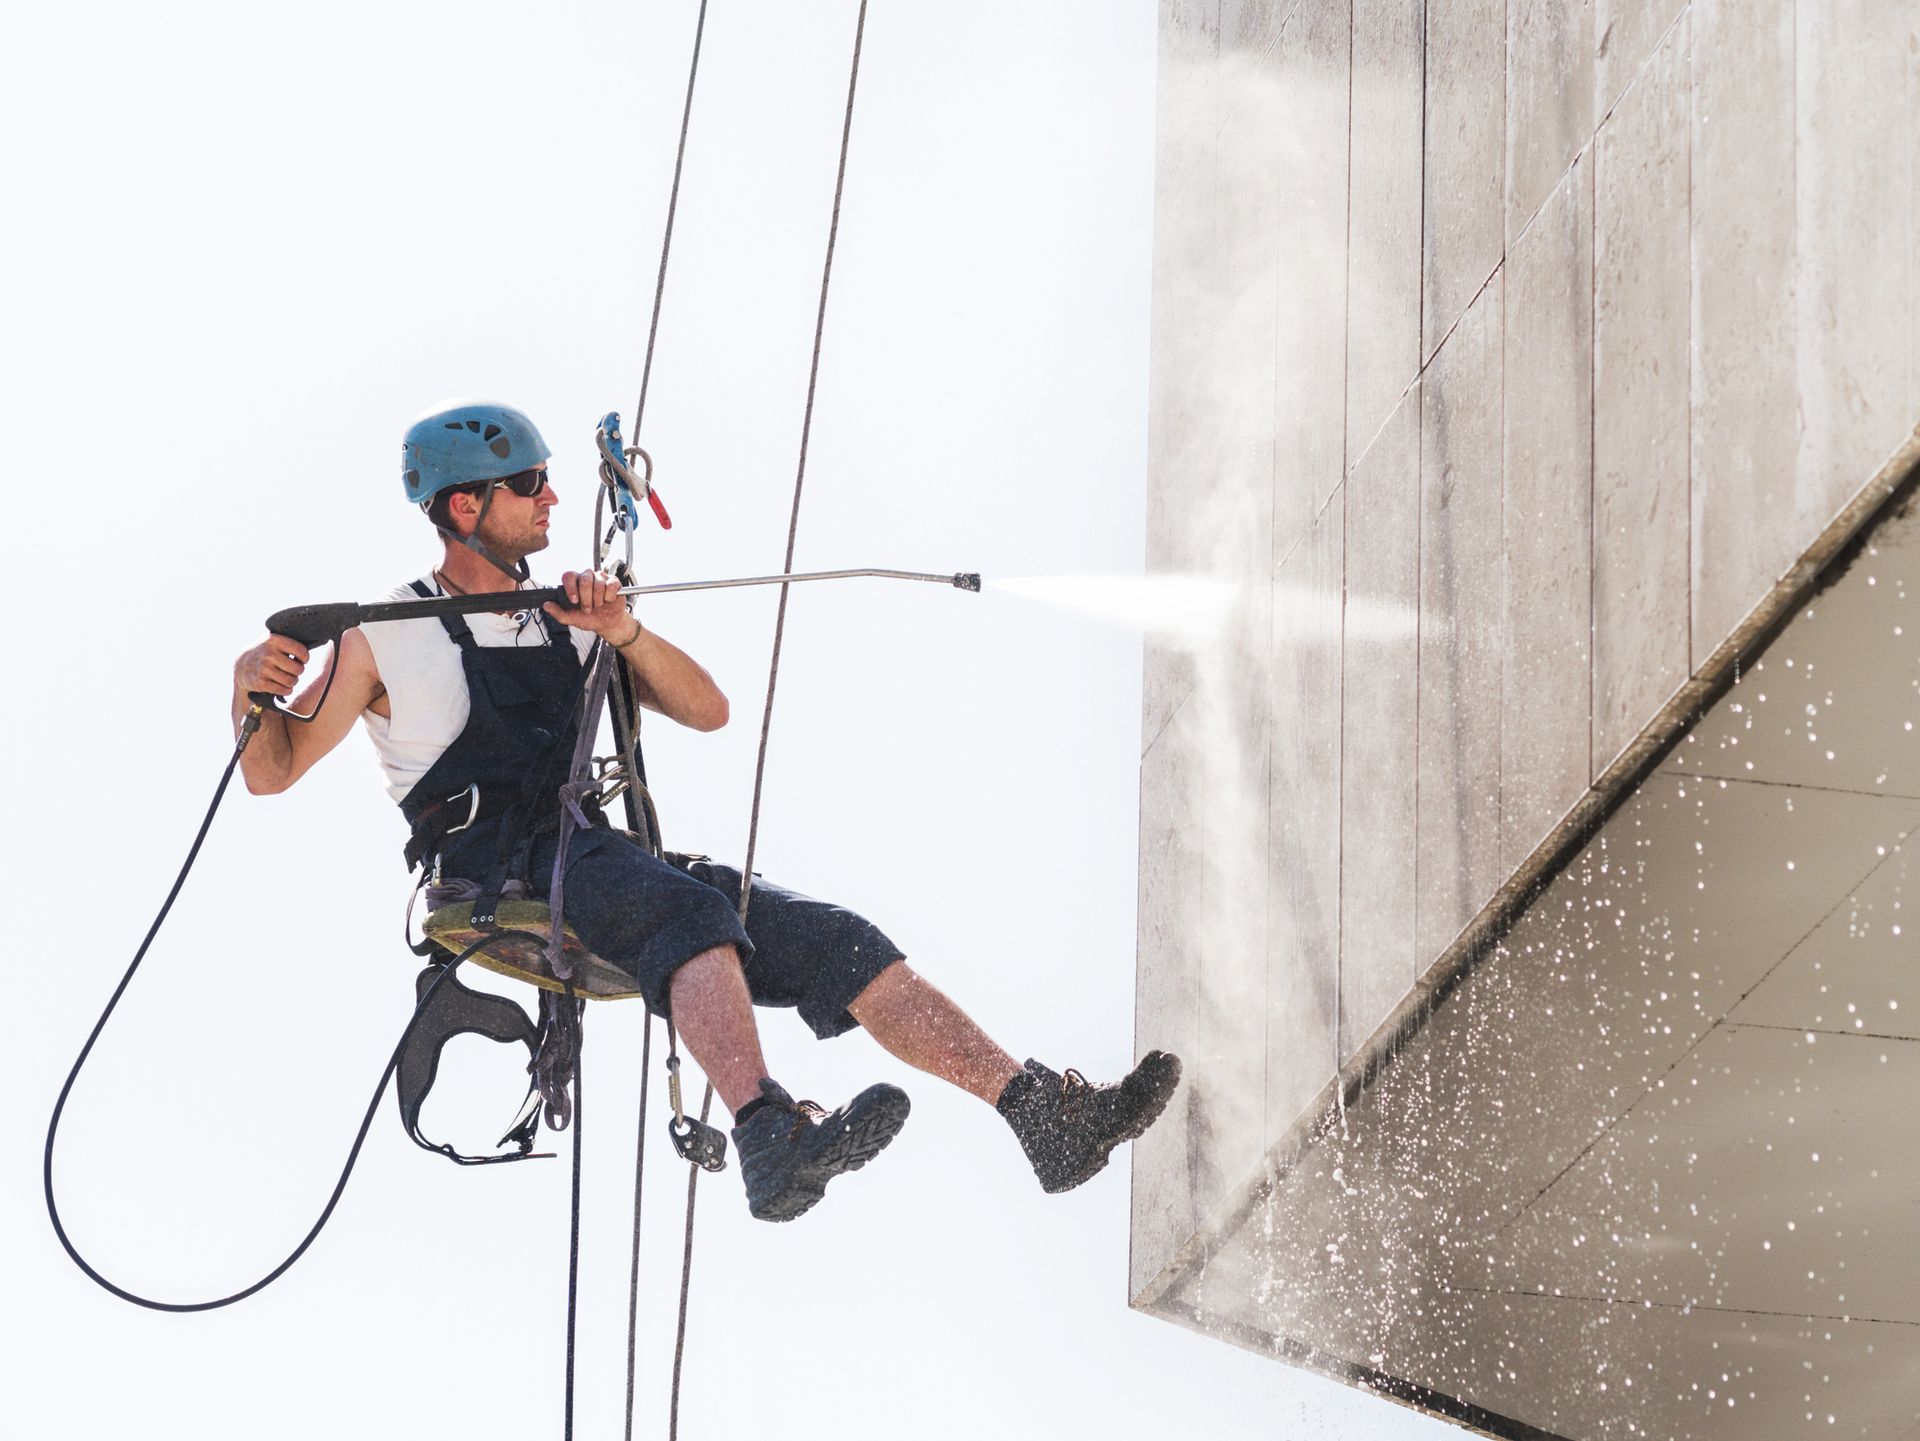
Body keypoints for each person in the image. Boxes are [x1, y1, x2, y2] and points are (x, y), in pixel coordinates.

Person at [231, 398, 1180, 1222]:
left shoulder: (563, 619)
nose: (552, 500)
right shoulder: (379, 635)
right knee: (688, 915)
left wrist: (622, 630)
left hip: (593, 855)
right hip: (496, 868)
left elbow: (708, 709)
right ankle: (768, 1132)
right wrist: (250, 688)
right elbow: (272, 771)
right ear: (464, 506)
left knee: (836, 941)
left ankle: (1039, 1116)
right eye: (531, 484)